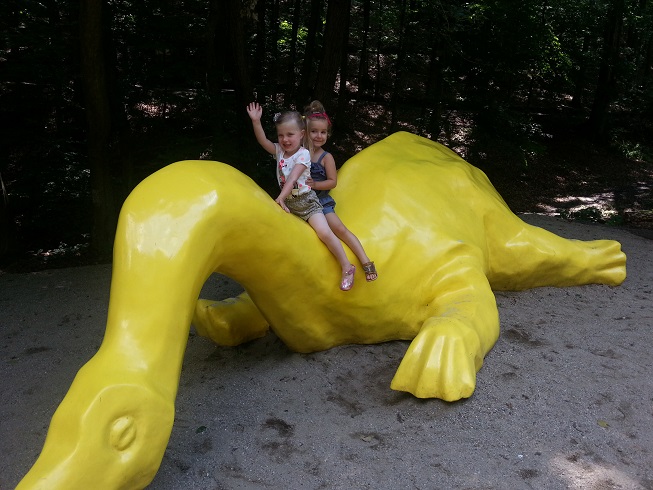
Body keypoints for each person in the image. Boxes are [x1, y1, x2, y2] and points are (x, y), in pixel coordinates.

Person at [246, 101, 357, 291]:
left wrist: (280, 197)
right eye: (281, 135)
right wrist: (256, 121)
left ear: (301, 135)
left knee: (324, 233)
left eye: (290, 134)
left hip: (307, 203)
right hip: (289, 203)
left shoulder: (303, 154)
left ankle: (347, 266)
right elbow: (263, 141)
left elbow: (292, 178)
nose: (285, 139)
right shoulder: (280, 151)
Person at [304, 100, 378, 282]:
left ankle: (365, 261)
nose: (319, 136)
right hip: (301, 201)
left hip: (320, 201)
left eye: (323, 132)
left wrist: (315, 185)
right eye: (314, 131)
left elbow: (332, 182)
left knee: (339, 228)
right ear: (305, 132)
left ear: (327, 134)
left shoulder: (326, 157)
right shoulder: (299, 153)